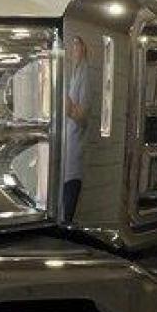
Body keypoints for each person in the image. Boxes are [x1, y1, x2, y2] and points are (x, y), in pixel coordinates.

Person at [62, 35, 92, 219]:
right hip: (66, 156)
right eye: (71, 46)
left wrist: (61, 96)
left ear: (84, 49)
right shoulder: (74, 73)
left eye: (76, 46)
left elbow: (81, 116)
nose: (73, 50)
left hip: (74, 159)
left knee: (67, 215)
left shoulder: (85, 75)